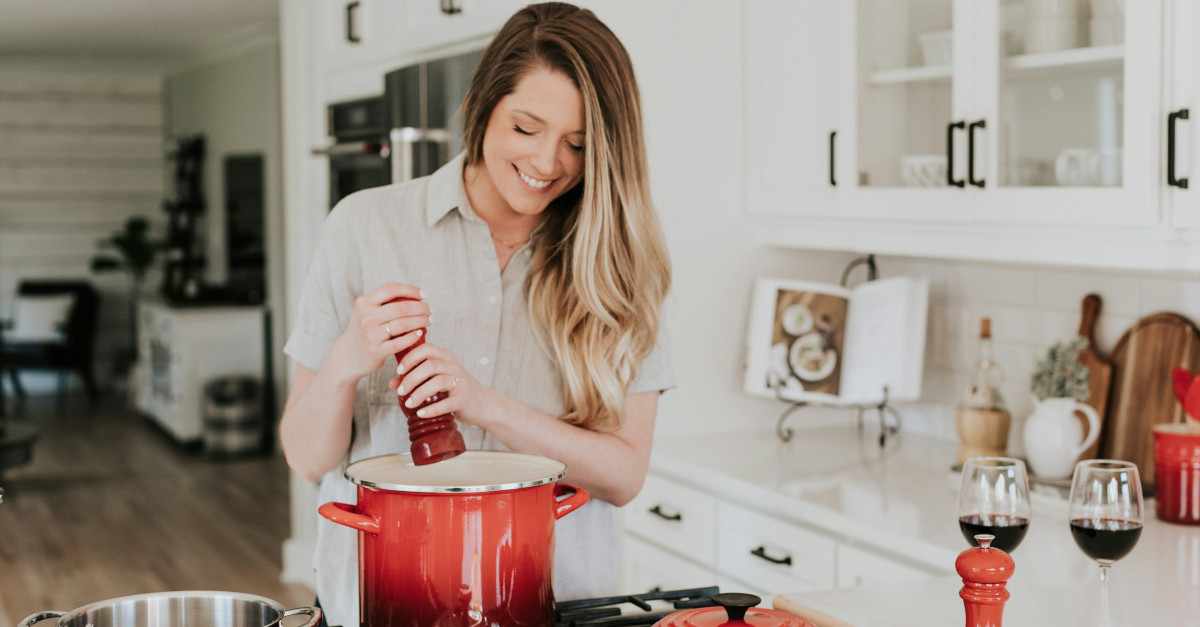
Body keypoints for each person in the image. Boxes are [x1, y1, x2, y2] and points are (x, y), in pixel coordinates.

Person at [279, 3, 674, 625]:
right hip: (381, 602)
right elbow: (304, 457)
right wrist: (343, 364)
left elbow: (624, 476)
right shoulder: (365, 225)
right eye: (526, 127)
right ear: (482, 108)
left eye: (577, 143)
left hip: (557, 605)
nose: (548, 163)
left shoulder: (620, 266)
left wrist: (482, 403)